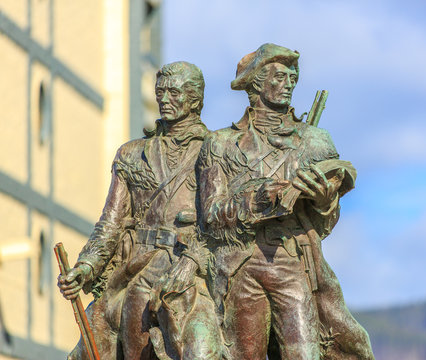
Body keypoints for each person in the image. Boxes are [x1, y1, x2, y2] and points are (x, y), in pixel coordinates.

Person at [197, 43, 375, 359]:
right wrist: (255, 201)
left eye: (292, 77)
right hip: (241, 265)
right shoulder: (219, 144)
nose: (289, 83)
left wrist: (324, 199)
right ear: (255, 83)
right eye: (279, 76)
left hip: (293, 261)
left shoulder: (315, 141)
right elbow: (210, 218)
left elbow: (326, 224)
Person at [58, 61, 222, 360]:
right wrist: (85, 267)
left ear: (195, 99)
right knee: (92, 343)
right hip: (135, 266)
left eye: (174, 92)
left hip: (189, 268)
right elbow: (111, 222)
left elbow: (224, 222)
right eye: (160, 92)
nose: (164, 99)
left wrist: (195, 260)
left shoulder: (217, 149)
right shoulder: (132, 153)